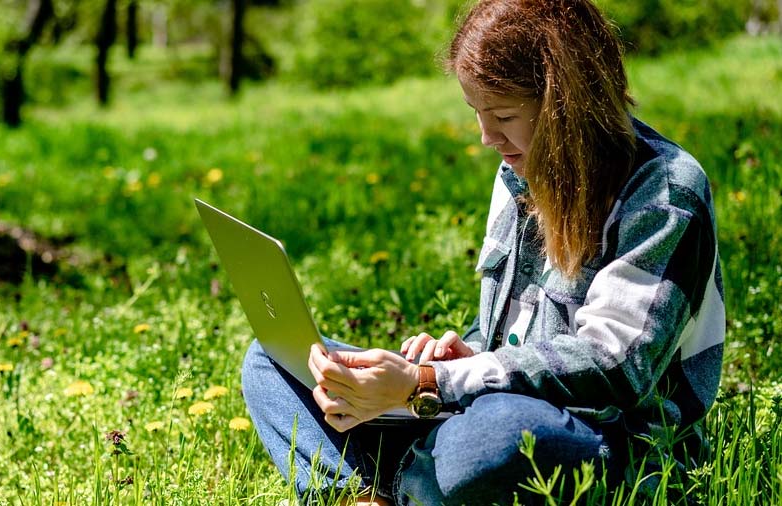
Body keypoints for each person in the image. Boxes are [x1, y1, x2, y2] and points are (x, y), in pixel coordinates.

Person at [242, 0, 725, 504]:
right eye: (477, 113)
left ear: (569, 106)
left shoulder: (665, 192)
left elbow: (615, 366)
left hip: (611, 443)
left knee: (495, 436)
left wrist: (428, 383)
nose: (486, 137)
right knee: (273, 361)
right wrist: (467, 355)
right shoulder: (519, 169)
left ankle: (398, 485)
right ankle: (367, 494)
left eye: (503, 115)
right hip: (481, 411)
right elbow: (512, 343)